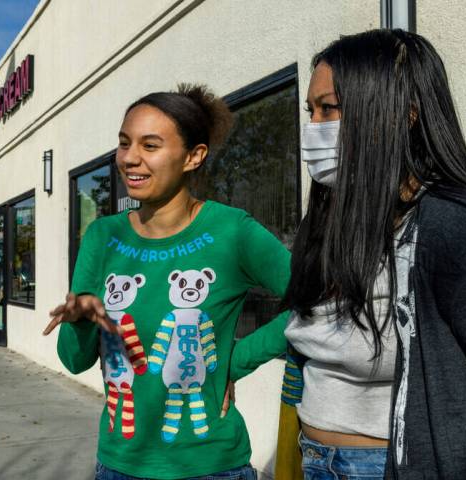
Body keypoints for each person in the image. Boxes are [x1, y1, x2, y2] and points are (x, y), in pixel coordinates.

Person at [277, 29, 466, 479]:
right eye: (310, 111)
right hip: (314, 459)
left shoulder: (457, 230)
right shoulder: (326, 225)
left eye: (329, 109)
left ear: (401, 116)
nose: (312, 129)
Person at [43, 84, 291, 479]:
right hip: (119, 466)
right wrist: (80, 319)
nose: (130, 159)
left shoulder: (232, 231)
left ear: (193, 156)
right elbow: (74, 361)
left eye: (150, 145)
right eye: (124, 144)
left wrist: (234, 362)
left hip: (211, 467)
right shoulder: (103, 236)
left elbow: (316, 299)